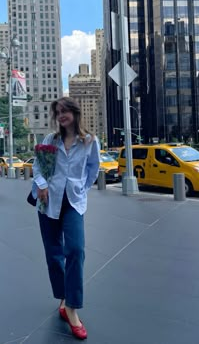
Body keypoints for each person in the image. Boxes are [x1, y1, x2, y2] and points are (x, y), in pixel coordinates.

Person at [32, 97, 100, 339]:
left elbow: (93, 169)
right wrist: (41, 184)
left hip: (73, 202)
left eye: (65, 111)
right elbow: (38, 167)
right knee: (53, 254)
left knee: (75, 250)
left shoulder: (89, 141)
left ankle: (72, 307)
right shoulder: (51, 139)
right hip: (48, 201)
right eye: (58, 112)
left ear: (75, 112)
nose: (61, 115)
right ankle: (63, 299)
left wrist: (82, 188)